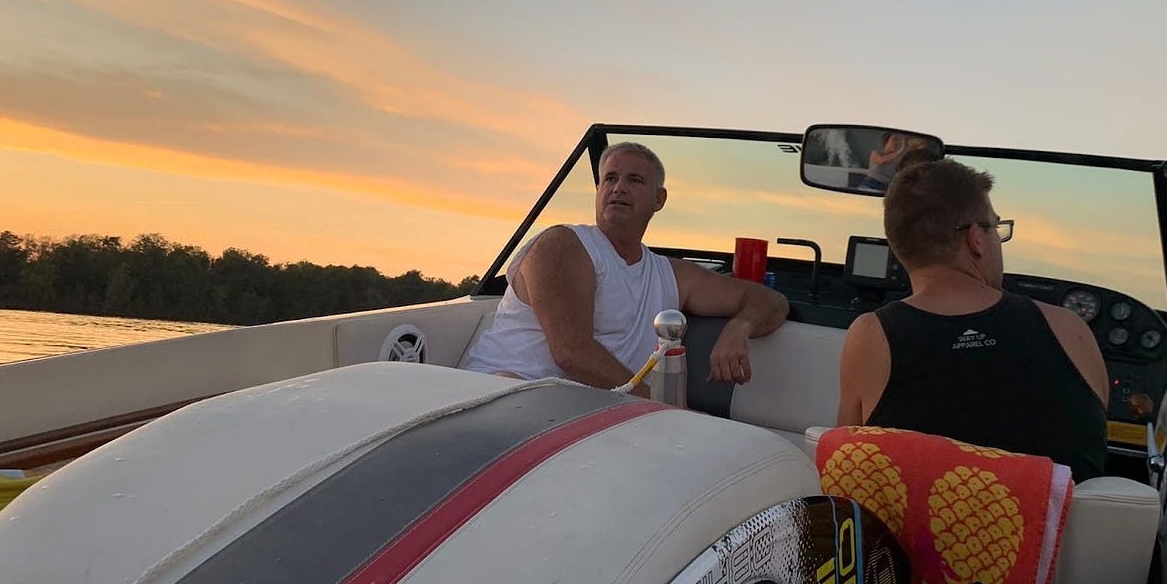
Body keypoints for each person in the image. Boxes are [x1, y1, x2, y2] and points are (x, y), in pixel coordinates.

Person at [836, 158, 1109, 482]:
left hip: (915, 534)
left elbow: (846, 466)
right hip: (1059, 534)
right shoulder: (1069, 329)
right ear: (976, 238)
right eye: (996, 228)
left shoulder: (870, 337)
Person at [463, 141, 789, 396]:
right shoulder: (562, 245)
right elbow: (571, 353)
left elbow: (771, 302)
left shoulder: (670, 274)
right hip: (504, 393)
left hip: (588, 415)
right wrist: (662, 410)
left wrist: (739, 328)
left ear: (658, 199)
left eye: (634, 180)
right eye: (610, 178)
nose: (618, 188)